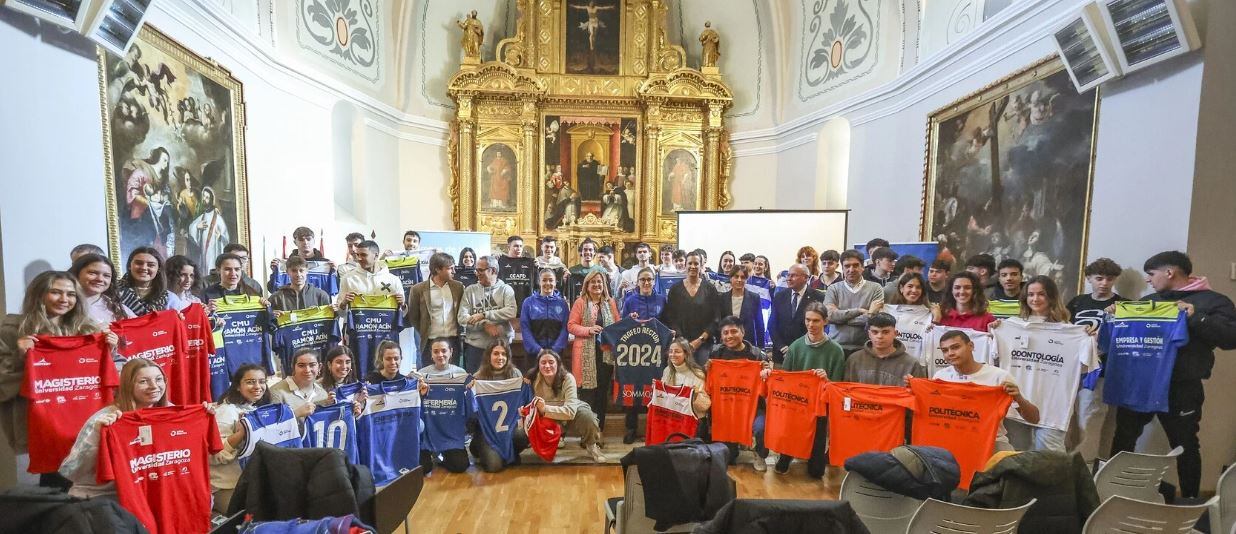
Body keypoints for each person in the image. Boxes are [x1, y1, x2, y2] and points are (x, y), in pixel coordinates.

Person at [1110, 251, 1236, 498]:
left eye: (1151, 274)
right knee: (1123, 438)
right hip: (1142, 384)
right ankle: (1112, 494)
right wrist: (1118, 316)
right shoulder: (1149, 301)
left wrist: (1195, 317)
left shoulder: (1213, 301)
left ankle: (1189, 500)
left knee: (1185, 443)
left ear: (1170, 272)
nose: (1148, 280)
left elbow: (1231, 339)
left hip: (1182, 387)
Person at [0, 271, 119, 488]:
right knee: (54, 490)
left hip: (84, 425)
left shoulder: (89, 331)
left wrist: (108, 351)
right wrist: (20, 358)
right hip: (42, 427)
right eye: (55, 292)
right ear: (39, 295)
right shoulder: (13, 331)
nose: (64, 300)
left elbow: (110, 378)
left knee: (91, 488)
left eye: (71, 294)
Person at [59, 357, 172, 498]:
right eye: (143, 381)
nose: (154, 386)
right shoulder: (104, 419)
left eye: (159, 379)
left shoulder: (171, 413)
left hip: (145, 494)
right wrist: (96, 434)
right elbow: (70, 470)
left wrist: (206, 416)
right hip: (102, 496)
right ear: (128, 385)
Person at [930, 330, 1040, 453]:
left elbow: (1034, 419)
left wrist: (1019, 398)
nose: (950, 353)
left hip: (993, 442)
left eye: (955, 347)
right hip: (953, 442)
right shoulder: (940, 377)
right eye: (945, 350)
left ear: (971, 346)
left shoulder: (999, 377)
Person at [774, 302, 845, 477]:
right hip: (796, 401)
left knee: (818, 439)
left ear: (825, 322)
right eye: (808, 320)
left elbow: (836, 386)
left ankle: (815, 461)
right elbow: (786, 376)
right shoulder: (796, 347)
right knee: (791, 432)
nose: (811, 325)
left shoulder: (836, 351)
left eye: (816, 321)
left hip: (820, 403)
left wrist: (826, 379)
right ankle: (786, 456)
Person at [1067, 258, 1128, 463]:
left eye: (1109, 279)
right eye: (1099, 278)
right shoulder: (1077, 302)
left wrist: (1117, 316)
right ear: (1089, 279)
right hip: (1072, 369)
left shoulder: (1123, 304)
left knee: (1090, 418)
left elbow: (1127, 338)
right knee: (1068, 420)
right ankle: (1067, 465)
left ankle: (1087, 466)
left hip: (1100, 371)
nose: (1104, 283)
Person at [210, 364, 268, 514]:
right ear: (237, 386)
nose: (258, 386)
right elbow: (213, 456)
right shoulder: (225, 412)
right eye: (250, 382)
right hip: (227, 486)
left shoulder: (254, 409)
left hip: (250, 482)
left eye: (262, 381)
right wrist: (241, 434)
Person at [530, 350, 606, 463]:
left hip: (570, 410)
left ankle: (591, 445)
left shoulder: (567, 378)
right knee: (535, 419)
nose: (547, 366)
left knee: (587, 416)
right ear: (538, 365)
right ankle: (551, 443)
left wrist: (545, 408)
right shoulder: (533, 379)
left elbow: (570, 411)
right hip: (549, 413)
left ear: (558, 364)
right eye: (543, 362)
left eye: (551, 362)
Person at [567, 270, 620, 429]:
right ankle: (586, 433)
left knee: (601, 394)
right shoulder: (580, 302)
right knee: (587, 395)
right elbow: (571, 326)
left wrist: (631, 320)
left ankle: (599, 431)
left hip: (605, 354)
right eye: (593, 282)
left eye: (600, 282)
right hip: (585, 354)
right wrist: (588, 330)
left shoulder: (610, 303)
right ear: (587, 285)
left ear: (604, 285)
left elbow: (618, 324)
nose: (597, 285)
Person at [470, 340, 527, 472]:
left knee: (524, 434)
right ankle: (478, 446)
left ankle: (509, 453)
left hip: (508, 427)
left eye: (503, 354)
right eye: (496, 354)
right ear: (488, 356)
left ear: (508, 357)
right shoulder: (478, 378)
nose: (500, 358)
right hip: (487, 431)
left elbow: (522, 402)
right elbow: (472, 410)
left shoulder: (515, 374)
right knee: (494, 467)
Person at [417, 339, 470, 474]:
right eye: (436, 351)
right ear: (431, 355)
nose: (440, 355)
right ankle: (430, 455)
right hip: (428, 431)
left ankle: (442, 457)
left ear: (451, 352)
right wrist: (419, 392)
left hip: (450, 433)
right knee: (423, 469)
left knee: (461, 466)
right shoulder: (421, 375)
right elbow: (413, 403)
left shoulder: (461, 374)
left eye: (444, 351)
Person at [458, 255, 517, 372]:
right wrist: (484, 324)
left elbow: (511, 311)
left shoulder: (506, 289)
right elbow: (462, 318)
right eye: (476, 270)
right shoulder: (470, 290)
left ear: (493, 270)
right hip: (476, 349)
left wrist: (485, 315)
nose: (477, 273)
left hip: (501, 349)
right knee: (475, 386)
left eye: (480, 270)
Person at [664, 251, 721, 365]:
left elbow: (716, 319)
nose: (693, 266)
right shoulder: (675, 290)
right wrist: (683, 341)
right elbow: (671, 318)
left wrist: (699, 340)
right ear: (685, 265)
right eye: (690, 263)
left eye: (696, 263)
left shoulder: (710, 289)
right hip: (681, 344)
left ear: (701, 266)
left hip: (704, 344)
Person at [408, 252, 465, 367]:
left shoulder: (458, 287)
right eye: (450, 268)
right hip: (430, 342)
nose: (454, 271)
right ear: (438, 269)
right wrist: (425, 330)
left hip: (453, 341)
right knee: (429, 379)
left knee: (453, 378)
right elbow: (413, 317)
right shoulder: (417, 289)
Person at [824, 250, 885, 355]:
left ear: (862, 267)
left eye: (855, 265)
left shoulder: (876, 288)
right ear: (842, 268)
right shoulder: (833, 289)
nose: (851, 270)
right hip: (836, 348)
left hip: (865, 348)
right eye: (847, 266)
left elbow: (875, 320)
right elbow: (830, 316)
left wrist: (842, 319)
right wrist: (860, 311)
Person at [845, 312, 926, 386]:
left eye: (885, 332)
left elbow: (920, 395)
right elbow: (845, 391)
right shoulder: (854, 359)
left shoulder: (911, 364)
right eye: (875, 332)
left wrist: (913, 386)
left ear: (895, 333)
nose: (880, 336)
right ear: (869, 334)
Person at [769, 263, 826, 364]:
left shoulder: (818, 297)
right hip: (781, 355)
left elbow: (821, 327)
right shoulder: (780, 296)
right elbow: (772, 325)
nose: (789, 279)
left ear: (805, 278)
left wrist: (799, 349)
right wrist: (782, 347)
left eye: (793, 275)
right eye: (788, 275)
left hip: (807, 355)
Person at [520, 269, 570, 366]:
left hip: (556, 354)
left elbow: (565, 328)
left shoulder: (562, 303)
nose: (548, 283)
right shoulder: (528, 302)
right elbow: (525, 328)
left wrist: (555, 350)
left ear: (555, 283)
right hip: (534, 354)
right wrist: (538, 350)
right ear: (539, 282)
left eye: (551, 280)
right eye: (544, 280)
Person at [68, 253, 134, 327]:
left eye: (106, 275)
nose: (100, 279)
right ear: (77, 274)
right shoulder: (62, 303)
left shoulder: (120, 310)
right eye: (92, 273)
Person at [116, 246, 185, 315]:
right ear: (129, 266)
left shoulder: (170, 298)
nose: (144, 268)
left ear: (158, 269)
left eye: (151, 265)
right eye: (139, 263)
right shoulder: (114, 291)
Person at [337, 240, 405, 306]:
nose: (359, 258)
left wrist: (403, 305)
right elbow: (340, 312)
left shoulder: (394, 280)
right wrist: (343, 304)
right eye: (358, 255)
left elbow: (402, 312)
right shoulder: (348, 279)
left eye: (363, 255)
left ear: (376, 256)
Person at [267, 226, 333, 293]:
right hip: (291, 302)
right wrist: (274, 273)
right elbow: (273, 289)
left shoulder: (326, 264)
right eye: (301, 239)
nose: (305, 242)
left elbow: (335, 289)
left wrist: (334, 274)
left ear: (314, 241)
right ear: (295, 242)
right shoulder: (286, 264)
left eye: (308, 239)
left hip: (318, 302)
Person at [269, 348, 330, 420]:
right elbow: (271, 425)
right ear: (293, 367)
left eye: (312, 365)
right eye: (301, 365)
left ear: (319, 367)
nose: (307, 370)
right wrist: (295, 414)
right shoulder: (276, 392)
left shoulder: (323, 394)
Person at [717, 265, 764, 348]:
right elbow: (720, 324)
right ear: (731, 278)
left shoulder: (754, 298)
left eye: (742, 277)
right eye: (736, 276)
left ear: (746, 279)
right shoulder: (721, 298)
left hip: (748, 345)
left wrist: (761, 348)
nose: (739, 280)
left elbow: (759, 325)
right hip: (727, 344)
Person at [498, 235, 537, 311]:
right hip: (505, 304)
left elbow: (536, 285)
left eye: (520, 246)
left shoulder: (531, 262)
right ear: (508, 247)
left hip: (525, 305)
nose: (519, 248)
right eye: (516, 246)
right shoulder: (500, 261)